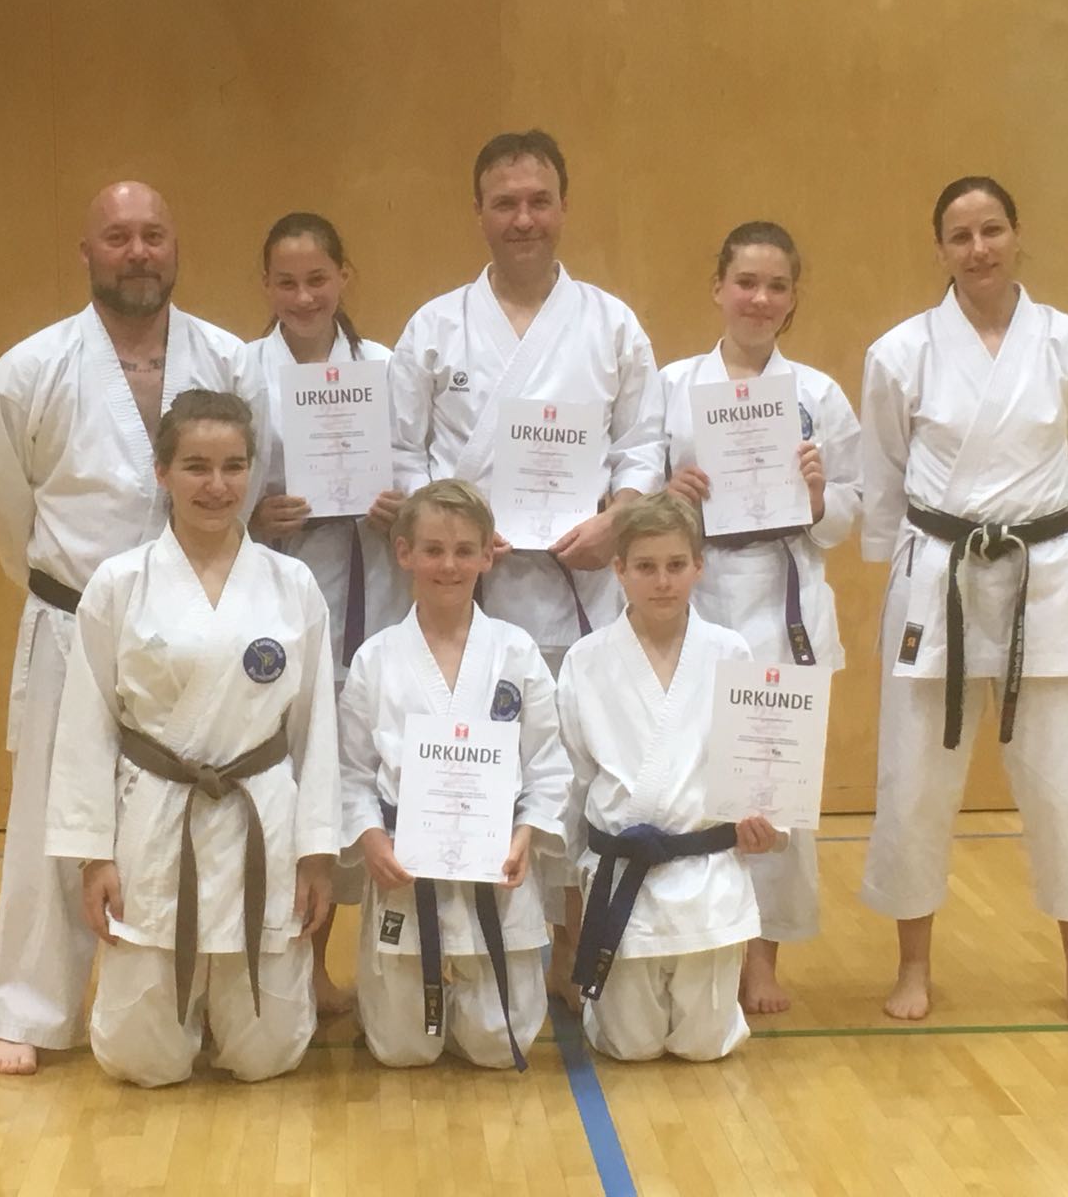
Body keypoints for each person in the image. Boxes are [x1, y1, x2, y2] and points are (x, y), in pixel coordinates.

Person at [0, 181, 250, 1075]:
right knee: (54, 815)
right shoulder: (29, 370)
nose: (138, 252)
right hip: (73, 616)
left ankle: (203, 994)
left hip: (198, 623)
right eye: (117, 237)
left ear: (176, 247)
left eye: (153, 234)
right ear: (87, 253)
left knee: (196, 806)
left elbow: (246, 476)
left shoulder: (226, 357)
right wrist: (54, 580)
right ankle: (32, 1009)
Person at [388, 129, 666, 1008]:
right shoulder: (435, 327)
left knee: (577, 769)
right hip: (465, 593)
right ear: (478, 212)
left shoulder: (611, 324)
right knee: (474, 763)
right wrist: (456, 533)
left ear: (563, 208)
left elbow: (643, 445)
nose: (523, 219)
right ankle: (473, 944)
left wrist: (617, 521)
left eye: (539, 201)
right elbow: (403, 454)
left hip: (580, 589)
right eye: (504, 203)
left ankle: (575, 943)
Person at [858, 176, 1068, 1024]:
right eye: (961, 236)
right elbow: (882, 477)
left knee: (1065, 780)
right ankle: (913, 967)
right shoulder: (901, 352)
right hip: (937, 573)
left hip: (1044, 575)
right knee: (914, 781)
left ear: (1016, 234)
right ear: (940, 249)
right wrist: (890, 567)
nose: (979, 249)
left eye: (992, 230)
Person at [44, 389, 338, 1086]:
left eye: (234, 466)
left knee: (268, 1056)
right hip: (156, 817)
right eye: (196, 466)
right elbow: (86, 724)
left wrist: (317, 853)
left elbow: (315, 729)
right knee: (142, 1061)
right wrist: (92, 857)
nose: (216, 485)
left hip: (260, 813)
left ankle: (230, 1014)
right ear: (162, 472)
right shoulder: (119, 584)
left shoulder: (291, 583)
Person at [661, 221, 861, 1013]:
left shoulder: (818, 395)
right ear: (717, 288)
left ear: (793, 299)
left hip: (786, 602)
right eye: (745, 282)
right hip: (698, 594)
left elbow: (851, 511)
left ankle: (762, 958)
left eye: (777, 286)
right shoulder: (673, 385)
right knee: (692, 781)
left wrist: (816, 496)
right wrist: (671, 493)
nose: (759, 298)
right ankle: (695, 943)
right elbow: (636, 495)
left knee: (774, 789)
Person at [339, 480, 571, 1070]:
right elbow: (351, 773)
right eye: (434, 550)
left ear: (489, 555)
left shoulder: (516, 653)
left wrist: (525, 836)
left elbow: (547, 764)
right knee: (401, 1050)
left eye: (466, 550)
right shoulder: (375, 658)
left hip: (496, 867)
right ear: (404, 553)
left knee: (498, 1048)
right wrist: (371, 839)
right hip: (404, 868)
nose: (449, 565)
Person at [243, 211, 407, 1014]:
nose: (304, 296)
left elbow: (425, 471)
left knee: (362, 776)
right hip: (283, 595)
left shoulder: (386, 368)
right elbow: (215, 481)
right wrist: (255, 517)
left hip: (377, 589)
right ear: (266, 286)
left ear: (346, 276)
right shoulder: (244, 371)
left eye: (318, 279)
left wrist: (402, 506)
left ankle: (367, 963)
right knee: (295, 776)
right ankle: (292, 966)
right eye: (286, 282)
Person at [556, 492, 776, 1060]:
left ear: (699, 566)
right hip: (621, 879)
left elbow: (757, 763)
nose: (662, 581)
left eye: (676, 565)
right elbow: (572, 784)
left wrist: (766, 824)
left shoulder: (731, 651)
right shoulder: (585, 659)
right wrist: (573, 899)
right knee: (629, 1046)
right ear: (619, 570)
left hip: (707, 874)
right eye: (646, 566)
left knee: (705, 1045)